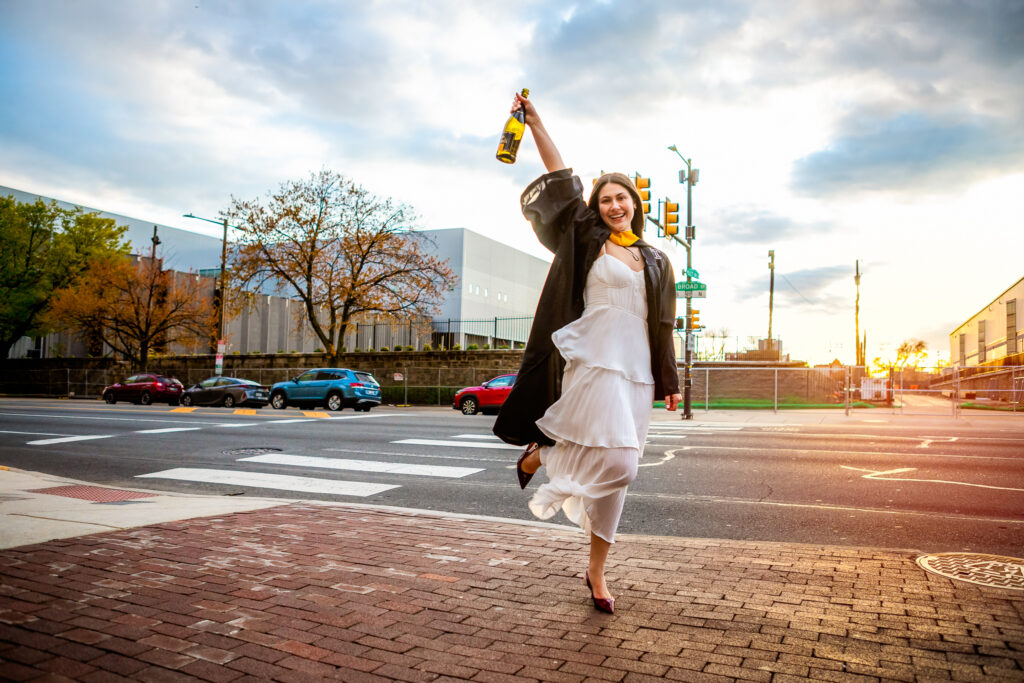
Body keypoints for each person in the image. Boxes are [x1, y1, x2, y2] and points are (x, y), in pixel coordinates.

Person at [493, 92, 682, 614]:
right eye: (606, 199)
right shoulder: (586, 237)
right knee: (620, 463)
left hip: (636, 370)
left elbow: (662, 325)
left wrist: (669, 381)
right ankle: (547, 455)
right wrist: (535, 123)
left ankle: (596, 570)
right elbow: (560, 177)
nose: (615, 204)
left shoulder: (655, 258)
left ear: (635, 204)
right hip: (592, 362)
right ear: (597, 207)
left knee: (618, 476)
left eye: (623, 197)